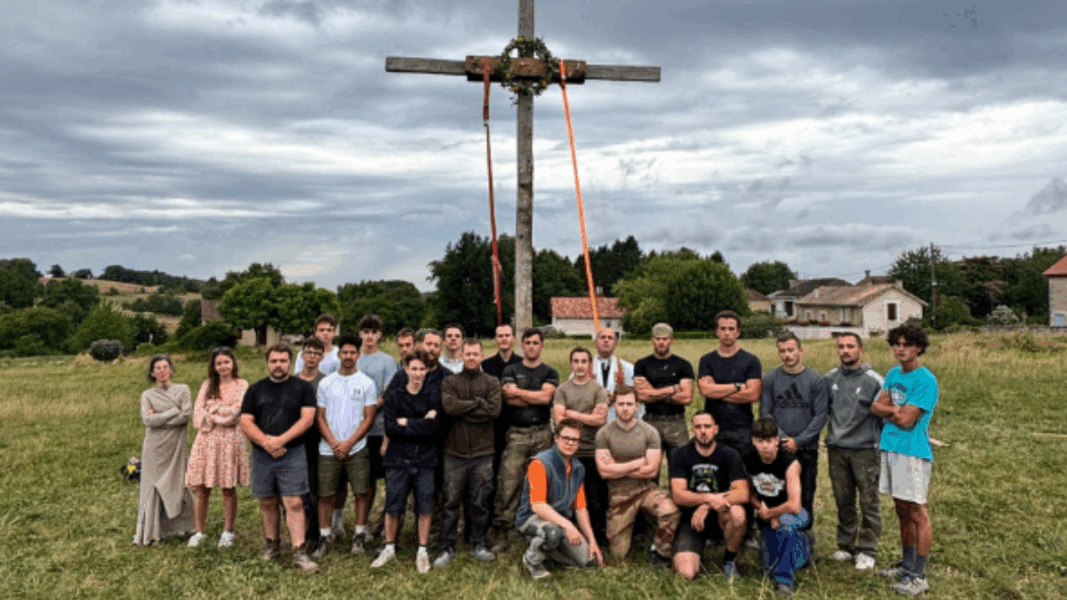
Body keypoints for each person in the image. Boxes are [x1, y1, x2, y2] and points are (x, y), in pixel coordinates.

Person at [871, 324, 939, 596]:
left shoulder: (925, 380)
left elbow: (907, 421)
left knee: (917, 511)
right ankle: (907, 564)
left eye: (907, 345)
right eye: (896, 344)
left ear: (919, 347)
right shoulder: (892, 374)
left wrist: (889, 409)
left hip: (912, 452)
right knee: (901, 510)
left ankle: (919, 575)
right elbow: (875, 406)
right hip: (890, 447)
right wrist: (893, 409)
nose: (900, 349)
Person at [240, 344, 318, 572]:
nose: (278, 365)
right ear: (267, 363)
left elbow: (307, 419)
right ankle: (272, 545)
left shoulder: (303, 388)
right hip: (262, 454)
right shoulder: (255, 389)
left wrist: (281, 441)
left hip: (292, 453)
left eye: (283, 361)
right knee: (267, 501)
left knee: (294, 502)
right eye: (274, 361)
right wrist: (267, 443)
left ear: (290, 363)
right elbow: (245, 421)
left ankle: (299, 551)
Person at [372, 350, 443, 574]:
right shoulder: (394, 395)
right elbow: (391, 427)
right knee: (393, 505)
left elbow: (435, 429)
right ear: (406, 369)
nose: (417, 373)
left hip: (425, 459)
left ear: (427, 371)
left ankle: (422, 550)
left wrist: (407, 423)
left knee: (425, 506)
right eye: (414, 369)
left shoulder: (434, 395)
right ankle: (389, 547)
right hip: (397, 458)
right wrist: (421, 422)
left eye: (422, 369)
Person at [490, 328, 559, 554]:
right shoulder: (511, 370)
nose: (531, 346)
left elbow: (547, 397)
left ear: (542, 346)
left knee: (540, 484)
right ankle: (503, 530)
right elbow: (509, 399)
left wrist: (520, 392)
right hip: (517, 434)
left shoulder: (549, 372)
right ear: (522, 345)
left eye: (535, 343)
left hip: (542, 433)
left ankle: (537, 528)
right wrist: (535, 397)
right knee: (509, 483)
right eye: (527, 342)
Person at [436, 338, 503, 567]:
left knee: (480, 501)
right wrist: (477, 403)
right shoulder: (450, 381)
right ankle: (447, 546)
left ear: (482, 356)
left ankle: (479, 543)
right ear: (462, 356)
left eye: (476, 354)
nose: (472, 358)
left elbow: (493, 411)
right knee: (450, 502)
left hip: (483, 452)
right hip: (454, 452)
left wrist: (464, 409)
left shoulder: (492, 382)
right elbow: (449, 408)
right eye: (468, 354)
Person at [595, 384, 679, 563]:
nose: (625, 408)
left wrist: (616, 467)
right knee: (618, 557)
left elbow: (652, 470)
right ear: (614, 406)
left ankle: (660, 550)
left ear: (637, 406)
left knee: (670, 510)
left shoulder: (650, 432)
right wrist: (639, 462)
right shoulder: (604, 433)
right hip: (619, 495)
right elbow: (604, 472)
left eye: (629, 404)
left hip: (646, 489)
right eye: (621, 404)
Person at [313, 335, 377, 558]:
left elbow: (369, 418)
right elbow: (319, 416)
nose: (348, 356)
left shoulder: (366, 383)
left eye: (352, 352)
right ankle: (324, 536)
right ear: (339, 354)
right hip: (328, 448)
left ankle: (358, 535)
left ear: (358, 355)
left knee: (361, 492)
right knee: (326, 494)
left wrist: (350, 443)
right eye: (345, 352)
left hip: (357, 447)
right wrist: (333, 442)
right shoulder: (326, 383)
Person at [515, 418, 604, 579]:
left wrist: (592, 541)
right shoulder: (540, 463)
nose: (570, 443)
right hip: (531, 518)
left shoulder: (578, 467)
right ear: (556, 438)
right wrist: (567, 525)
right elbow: (538, 506)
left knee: (591, 562)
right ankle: (532, 560)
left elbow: (580, 508)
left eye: (575, 440)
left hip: (559, 522)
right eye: (566, 438)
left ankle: (548, 552)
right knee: (552, 533)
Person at [824, 332, 884, 570]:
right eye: (841, 346)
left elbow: (885, 416)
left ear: (861, 350)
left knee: (868, 500)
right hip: (837, 449)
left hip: (865, 449)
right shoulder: (829, 378)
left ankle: (868, 549)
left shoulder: (875, 380)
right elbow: (823, 411)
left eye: (850, 346)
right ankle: (845, 544)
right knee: (843, 498)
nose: (845, 351)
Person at [759, 332, 828, 540]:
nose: (787, 355)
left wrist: (799, 441)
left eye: (791, 350)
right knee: (777, 493)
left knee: (805, 493)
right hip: (778, 449)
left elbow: (820, 416)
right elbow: (765, 412)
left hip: (806, 448)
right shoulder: (770, 378)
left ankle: (804, 537)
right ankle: (776, 536)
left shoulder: (816, 380)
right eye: (782, 351)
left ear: (800, 351)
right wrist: (781, 438)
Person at [670, 411, 749, 581]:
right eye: (698, 427)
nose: (703, 431)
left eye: (707, 426)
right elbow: (678, 495)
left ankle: (729, 560)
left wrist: (707, 504)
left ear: (716, 429)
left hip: (722, 513)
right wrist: (709, 498)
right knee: (686, 574)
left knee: (738, 513)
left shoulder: (730, 454)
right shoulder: (680, 454)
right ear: (693, 430)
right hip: (692, 518)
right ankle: (692, 549)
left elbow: (742, 493)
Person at [185, 347, 249, 548]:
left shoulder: (242, 385)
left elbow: (235, 414)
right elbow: (197, 415)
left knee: (228, 487)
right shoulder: (207, 386)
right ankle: (199, 531)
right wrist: (219, 413)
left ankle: (228, 531)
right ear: (213, 366)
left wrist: (212, 411)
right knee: (201, 488)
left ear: (233, 363)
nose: (223, 366)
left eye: (226, 362)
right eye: (219, 363)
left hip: (230, 441)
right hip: (206, 441)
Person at [134, 354, 195, 546]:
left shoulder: (183, 389)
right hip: (154, 447)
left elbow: (186, 415)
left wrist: (160, 418)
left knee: (179, 482)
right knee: (152, 486)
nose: (162, 371)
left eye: (165, 367)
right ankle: (152, 531)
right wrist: (173, 411)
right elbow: (147, 421)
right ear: (152, 373)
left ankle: (184, 527)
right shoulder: (147, 395)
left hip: (175, 445)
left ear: (171, 369)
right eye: (157, 368)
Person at [744, 417, 810, 596]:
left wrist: (773, 514)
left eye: (769, 441)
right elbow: (748, 494)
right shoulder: (748, 459)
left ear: (776, 440)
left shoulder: (790, 462)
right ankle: (804, 547)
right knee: (769, 566)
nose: (765, 446)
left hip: (795, 513)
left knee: (785, 526)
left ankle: (784, 581)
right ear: (753, 441)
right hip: (766, 514)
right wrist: (763, 510)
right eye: (760, 441)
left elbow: (795, 505)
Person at [552, 347, 610, 546]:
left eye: (584, 361)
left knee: (594, 497)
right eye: (576, 361)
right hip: (568, 452)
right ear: (571, 363)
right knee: (567, 495)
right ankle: (567, 536)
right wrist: (587, 417)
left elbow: (600, 420)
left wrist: (572, 413)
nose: (579, 365)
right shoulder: (562, 390)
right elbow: (559, 420)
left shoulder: (598, 389)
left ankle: (598, 537)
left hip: (591, 450)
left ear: (590, 364)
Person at [354, 315, 398, 544]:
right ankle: (362, 525)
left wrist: (369, 409)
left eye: (373, 332)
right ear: (360, 334)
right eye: (366, 332)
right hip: (357, 431)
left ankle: (386, 526)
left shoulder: (388, 362)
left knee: (389, 480)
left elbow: (388, 393)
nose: (369, 336)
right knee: (365, 481)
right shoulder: (353, 359)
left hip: (380, 429)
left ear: (379, 335)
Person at [697, 310, 762, 454]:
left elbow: (753, 395)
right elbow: (705, 391)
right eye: (723, 329)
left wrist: (716, 391)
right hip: (713, 429)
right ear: (717, 332)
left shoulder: (751, 361)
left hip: (742, 429)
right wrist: (737, 386)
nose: (727, 333)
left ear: (738, 332)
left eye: (731, 329)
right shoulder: (707, 360)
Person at [633, 323, 694, 472]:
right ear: (652, 340)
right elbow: (641, 395)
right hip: (651, 420)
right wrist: (672, 389)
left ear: (671, 340)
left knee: (680, 468)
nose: (661, 342)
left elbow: (686, 398)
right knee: (649, 469)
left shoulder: (683, 365)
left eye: (665, 339)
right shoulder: (642, 365)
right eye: (658, 338)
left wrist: (653, 392)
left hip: (677, 422)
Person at [294, 337, 326, 551]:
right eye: (309, 352)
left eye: (317, 353)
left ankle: (314, 532)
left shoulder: (325, 381)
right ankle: (297, 529)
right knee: (295, 488)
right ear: (302, 355)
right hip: (295, 440)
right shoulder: (293, 380)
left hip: (317, 440)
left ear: (322, 357)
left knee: (315, 488)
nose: (312, 357)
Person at [591, 327, 637, 422]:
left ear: (615, 344)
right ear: (595, 343)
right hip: (591, 417)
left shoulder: (627, 368)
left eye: (610, 338)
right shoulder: (584, 367)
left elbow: (634, 396)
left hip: (617, 418)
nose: (606, 340)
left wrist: (615, 397)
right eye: (602, 337)